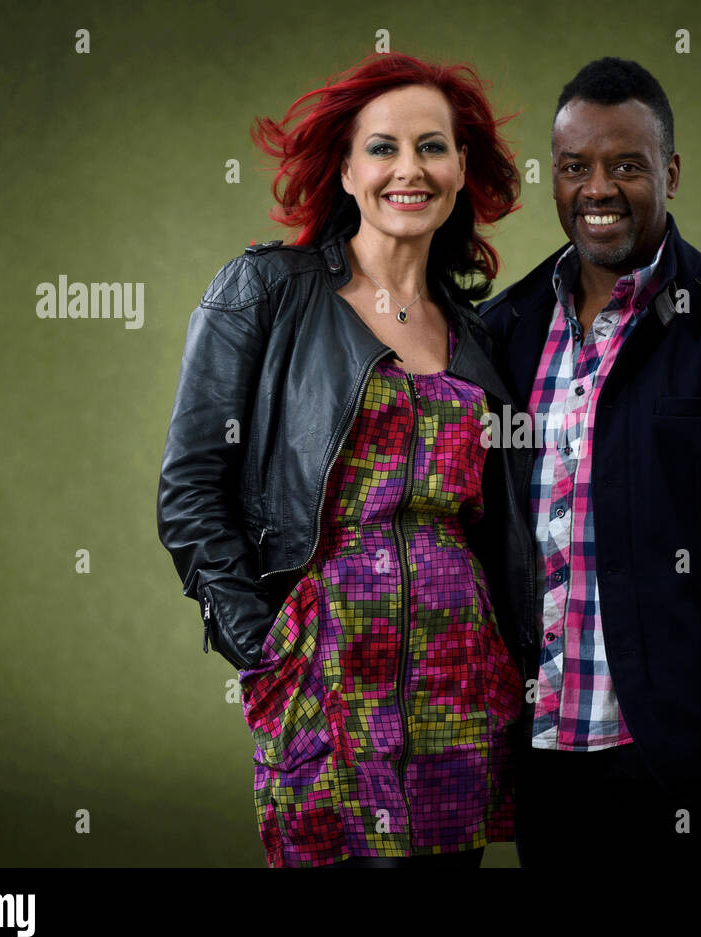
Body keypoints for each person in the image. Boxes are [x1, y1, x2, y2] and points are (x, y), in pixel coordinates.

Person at [155, 51, 537, 868]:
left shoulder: (479, 338)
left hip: (458, 678)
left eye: (433, 147)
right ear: (346, 167)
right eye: (384, 147)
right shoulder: (266, 291)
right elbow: (190, 490)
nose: (411, 169)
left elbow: (502, 522)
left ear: (463, 169)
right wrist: (264, 651)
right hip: (323, 673)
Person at [478, 57, 701, 868]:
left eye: (626, 165)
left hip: (682, 755)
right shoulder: (504, 328)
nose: (598, 188)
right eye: (576, 167)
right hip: (541, 750)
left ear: (669, 172)